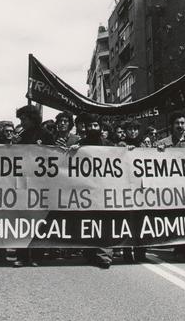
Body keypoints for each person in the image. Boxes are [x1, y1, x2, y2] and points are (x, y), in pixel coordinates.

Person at [13, 105, 54, 267]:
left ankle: (37, 256)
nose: (22, 123)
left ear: (32, 118)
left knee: (39, 221)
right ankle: (21, 256)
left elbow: (53, 157)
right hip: (24, 184)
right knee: (22, 221)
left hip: (41, 185)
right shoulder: (21, 136)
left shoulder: (47, 135)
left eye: (24, 119)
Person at [156, 112, 185, 261]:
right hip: (171, 187)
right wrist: (157, 153)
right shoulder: (162, 144)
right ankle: (179, 248)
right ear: (172, 126)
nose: (180, 126)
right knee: (176, 218)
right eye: (177, 123)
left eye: (182, 123)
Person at [74, 114, 113, 269]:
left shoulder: (109, 144)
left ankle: (104, 256)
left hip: (105, 191)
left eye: (96, 126)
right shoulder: (80, 144)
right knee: (88, 222)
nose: (93, 128)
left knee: (104, 222)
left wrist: (128, 150)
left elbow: (122, 157)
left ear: (100, 127)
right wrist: (73, 151)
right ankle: (89, 253)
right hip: (86, 190)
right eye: (90, 126)